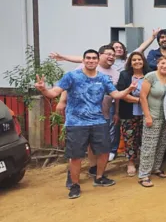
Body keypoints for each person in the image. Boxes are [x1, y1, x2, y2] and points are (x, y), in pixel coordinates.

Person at [34, 49, 137, 199]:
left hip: (98, 120)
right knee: (76, 156)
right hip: (76, 122)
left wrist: (129, 89)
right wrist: (44, 89)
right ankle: (75, 185)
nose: (91, 60)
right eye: (88, 58)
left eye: (93, 58)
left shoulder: (103, 78)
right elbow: (53, 93)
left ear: (97, 61)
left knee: (104, 152)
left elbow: (116, 95)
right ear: (83, 60)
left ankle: (99, 177)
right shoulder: (71, 76)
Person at [48, 28, 160, 72]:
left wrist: (153, 37)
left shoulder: (128, 59)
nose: (119, 49)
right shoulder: (101, 60)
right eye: (116, 48)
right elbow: (80, 59)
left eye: (121, 47)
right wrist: (63, 57)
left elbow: (141, 48)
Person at [138, 56, 166, 187]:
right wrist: (147, 116)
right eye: (162, 63)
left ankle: (156, 168)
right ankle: (143, 175)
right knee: (149, 146)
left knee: (161, 144)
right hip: (152, 116)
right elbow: (142, 96)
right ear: (158, 64)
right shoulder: (150, 76)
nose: (165, 66)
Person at [116, 51, 151, 177]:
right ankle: (130, 162)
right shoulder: (124, 75)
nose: (137, 62)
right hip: (129, 113)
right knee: (130, 139)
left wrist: (144, 102)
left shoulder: (149, 74)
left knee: (145, 138)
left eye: (139, 59)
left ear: (143, 61)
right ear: (130, 62)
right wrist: (140, 100)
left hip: (147, 113)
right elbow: (122, 94)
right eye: (134, 60)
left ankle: (144, 162)